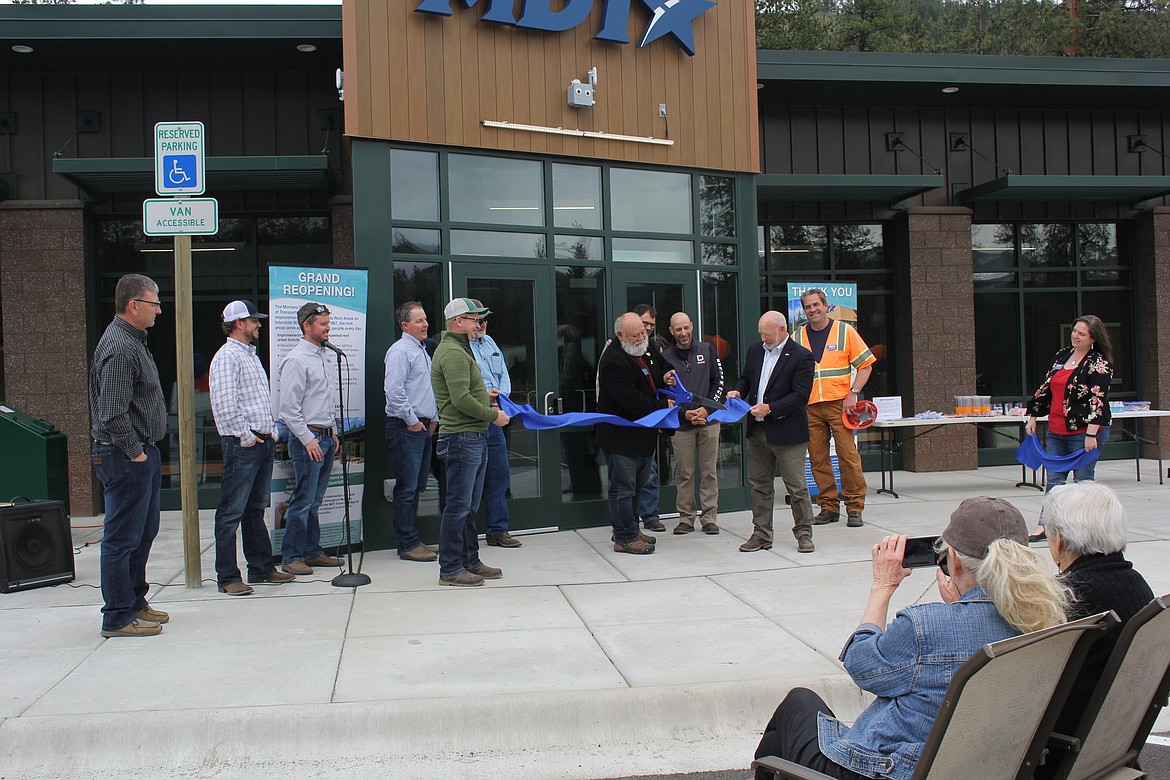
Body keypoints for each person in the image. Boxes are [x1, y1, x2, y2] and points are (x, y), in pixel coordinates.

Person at [753, 496, 1069, 780]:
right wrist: (958, 605)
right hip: (979, 768)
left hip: (893, 771)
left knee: (798, 703)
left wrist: (882, 587)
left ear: (953, 561)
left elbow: (862, 666)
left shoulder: (926, 626)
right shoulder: (1046, 620)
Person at [1041, 481, 1153, 748]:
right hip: (1115, 739)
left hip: (1065, 746)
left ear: (1059, 539)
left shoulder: (1066, 598)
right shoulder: (1137, 584)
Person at [89, 274, 169, 638]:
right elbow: (112, 412)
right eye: (153, 304)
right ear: (133, 305)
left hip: (140, 454)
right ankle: (118, 615)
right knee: (122, 538)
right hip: (124, 456)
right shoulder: (120, 347)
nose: (158, 309)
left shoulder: (135, 340)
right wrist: (136, 453)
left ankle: (135, 601)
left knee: (143, 533)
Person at [208, 300, 296, 596]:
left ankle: (261, 568)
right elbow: (224, 403)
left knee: (255, 509)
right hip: (242, 444)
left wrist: (269, 432)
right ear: (238, 324)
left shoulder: (249, 356)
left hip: (260, 441)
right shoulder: (227, 357)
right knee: (231, 512)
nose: (259, 324)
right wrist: (246, 436)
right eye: (253, 320)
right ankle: (227, 576)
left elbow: (256, 400)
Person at [430, 297, 511, 586]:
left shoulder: (459, 350)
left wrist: (484, 400)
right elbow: (460, 399)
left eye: (479, 319)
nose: (479, 324)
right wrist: (492, 415)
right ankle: (450, 568)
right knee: (458, 506)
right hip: (462, 437)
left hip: (470, 436)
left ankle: (469, 560)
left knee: (468, 506)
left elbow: (465, 394)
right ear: (458, 322)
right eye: (474, 319)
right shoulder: (452, 352)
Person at [727, 311, 817, 553]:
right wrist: (737, 391)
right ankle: (761, 534)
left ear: (782, 330)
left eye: (767, 334)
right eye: (761, 334)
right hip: (757, 431)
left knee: (796, 487)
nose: (763, 338)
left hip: (788, 432)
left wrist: (771, 408)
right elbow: (746, 378)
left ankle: (804, 533)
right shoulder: (755, 351)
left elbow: (801, 396)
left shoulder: (802, 356)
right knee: (759, 485)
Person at [1025, 314, 1114, 540]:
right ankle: (1046, 525)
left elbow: (1098, 399)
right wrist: (1034, 414)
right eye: (1075, 331)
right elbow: (1047, 387)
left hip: (1084, 432)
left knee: (1083, 482)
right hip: (1057, 430)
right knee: (1054, 481)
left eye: (1082, 334)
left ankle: (1085, 529)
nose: (1076, 336)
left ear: (1093, 338)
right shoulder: (1062, 355)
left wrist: (1091, 433)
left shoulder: (1098, 363)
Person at [792, 289, 876, 528]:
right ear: (804, 310)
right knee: (817, 459)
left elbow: (866, 366)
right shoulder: (797, 337)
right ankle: (828, 506)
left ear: (825, 306)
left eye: (816, 305)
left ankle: (855, 507)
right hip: (809, 407)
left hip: (841, 405)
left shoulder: (844, 331)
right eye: (808, 306)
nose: (812, 310)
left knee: (848, 457)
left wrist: (854, 393)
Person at [274, 302, 345, 576]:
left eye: (329, 322)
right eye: (323, 324)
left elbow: (325, 400)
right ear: (307, 326)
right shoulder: (296, 360)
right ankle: (291, 556)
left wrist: (333, 431)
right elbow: (288, 411)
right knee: (303, 500)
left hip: (325, 436)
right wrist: (308, 439)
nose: (328, 328)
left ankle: (312, 551)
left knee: (315, 500)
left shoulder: (324, 356)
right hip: (309, 439)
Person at [597, 313, 675, 555]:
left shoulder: (646, 347)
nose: (642, 337)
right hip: (622, 437)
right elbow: (630, 400)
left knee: (639, 485)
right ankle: (624, 536)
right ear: (621, 336)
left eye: (644, 332)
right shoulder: (613, 360)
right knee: (623, 488)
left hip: (644, 435)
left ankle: (632, 527)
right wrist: (664, 408)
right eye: (636, 334)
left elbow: (662, 364)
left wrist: (667, 373)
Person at [384, 301, 440, 562]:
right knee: (407, 488)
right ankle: (407, 543)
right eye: (419, 320)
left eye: (426, 319)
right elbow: (394, 392)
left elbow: (428, 390)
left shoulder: (423, 351)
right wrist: (413, 421)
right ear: (405, 325)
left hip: (422, 426)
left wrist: (433, 420)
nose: (425, 324)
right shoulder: (399, 352)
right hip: (406, 427)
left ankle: (414, 540)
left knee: (417, 487)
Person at [662, 311, 725, 535]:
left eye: (686, 328)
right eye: (678, 329)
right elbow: (665, 394)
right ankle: (686, 518)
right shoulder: (666, 357)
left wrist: (707, 409)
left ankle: (709, 518)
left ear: (692, 327)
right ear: (671, 332)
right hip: (682, 423)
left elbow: (719, 381)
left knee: (709, 471)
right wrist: (684, 414)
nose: (683, 333)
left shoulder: (707, 350)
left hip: (708, 420)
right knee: (685, 473)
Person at [469, 300, 522, 548]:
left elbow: (504, 377)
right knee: (471, 479)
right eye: (477, 320)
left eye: (484, 320)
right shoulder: (461, 348)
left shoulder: (489, 343)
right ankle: (466, 536)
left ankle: (498, 530)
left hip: (495, 417)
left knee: (499, 475)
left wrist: (502, 403)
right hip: (473, 418)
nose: (481, 324)